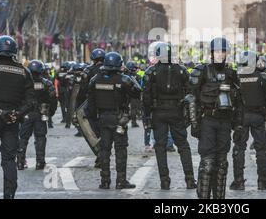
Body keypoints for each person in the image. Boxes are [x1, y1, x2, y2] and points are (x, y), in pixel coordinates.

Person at [0, 36, 35, 199]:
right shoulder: (24, 71)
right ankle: (9, 195)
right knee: (9, 159)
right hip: (12, 120)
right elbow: (30, 100)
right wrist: (17, 113)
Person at [189, 37, 244, 199]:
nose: (220, 55)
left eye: (223, 51)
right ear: (212, 53)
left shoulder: (232, 74)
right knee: (207, 163)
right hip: (208, 121)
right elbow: (191, 98)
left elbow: (240, 102)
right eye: (217, 51)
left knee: (221, 164)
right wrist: (194, 123)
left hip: (225, 122)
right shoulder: (202, 71)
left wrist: (239, 125)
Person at [142, 42, 196, 190]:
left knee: (160, 147)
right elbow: (190, 91)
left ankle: (164, 181)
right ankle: (190, 179)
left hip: (158, 112)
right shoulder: (181, 70)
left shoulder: (151, 72)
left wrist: (146, 116)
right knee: (183, 146)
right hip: (176, 111)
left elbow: (145, 97)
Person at [87, 52, 142, 189]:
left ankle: (105, 181)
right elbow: (137, 91)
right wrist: (129, 75)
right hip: (119, 119)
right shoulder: (124, 79)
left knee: (104, 150)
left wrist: (94, 119)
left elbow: (90, 103)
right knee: (120, 150)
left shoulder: (95, 79)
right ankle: (121, 180)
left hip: (103, 118)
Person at [230, 50, 266, 191]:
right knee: (260, 149)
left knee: (239, 148)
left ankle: (238, 181)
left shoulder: (236, 78)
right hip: (258, 116)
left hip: (241, 117)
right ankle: (263, 181)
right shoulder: (263, 77)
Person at [17, 60, 57, 170]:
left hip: (26, 114)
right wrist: (50, 113)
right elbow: (53, 99)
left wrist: (19, 113)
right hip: (41, 114)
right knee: (40, 138)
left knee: (23, 138)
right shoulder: (46, 83)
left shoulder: (23, 83)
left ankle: (20, 162)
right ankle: (40, 162)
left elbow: (17, 98)